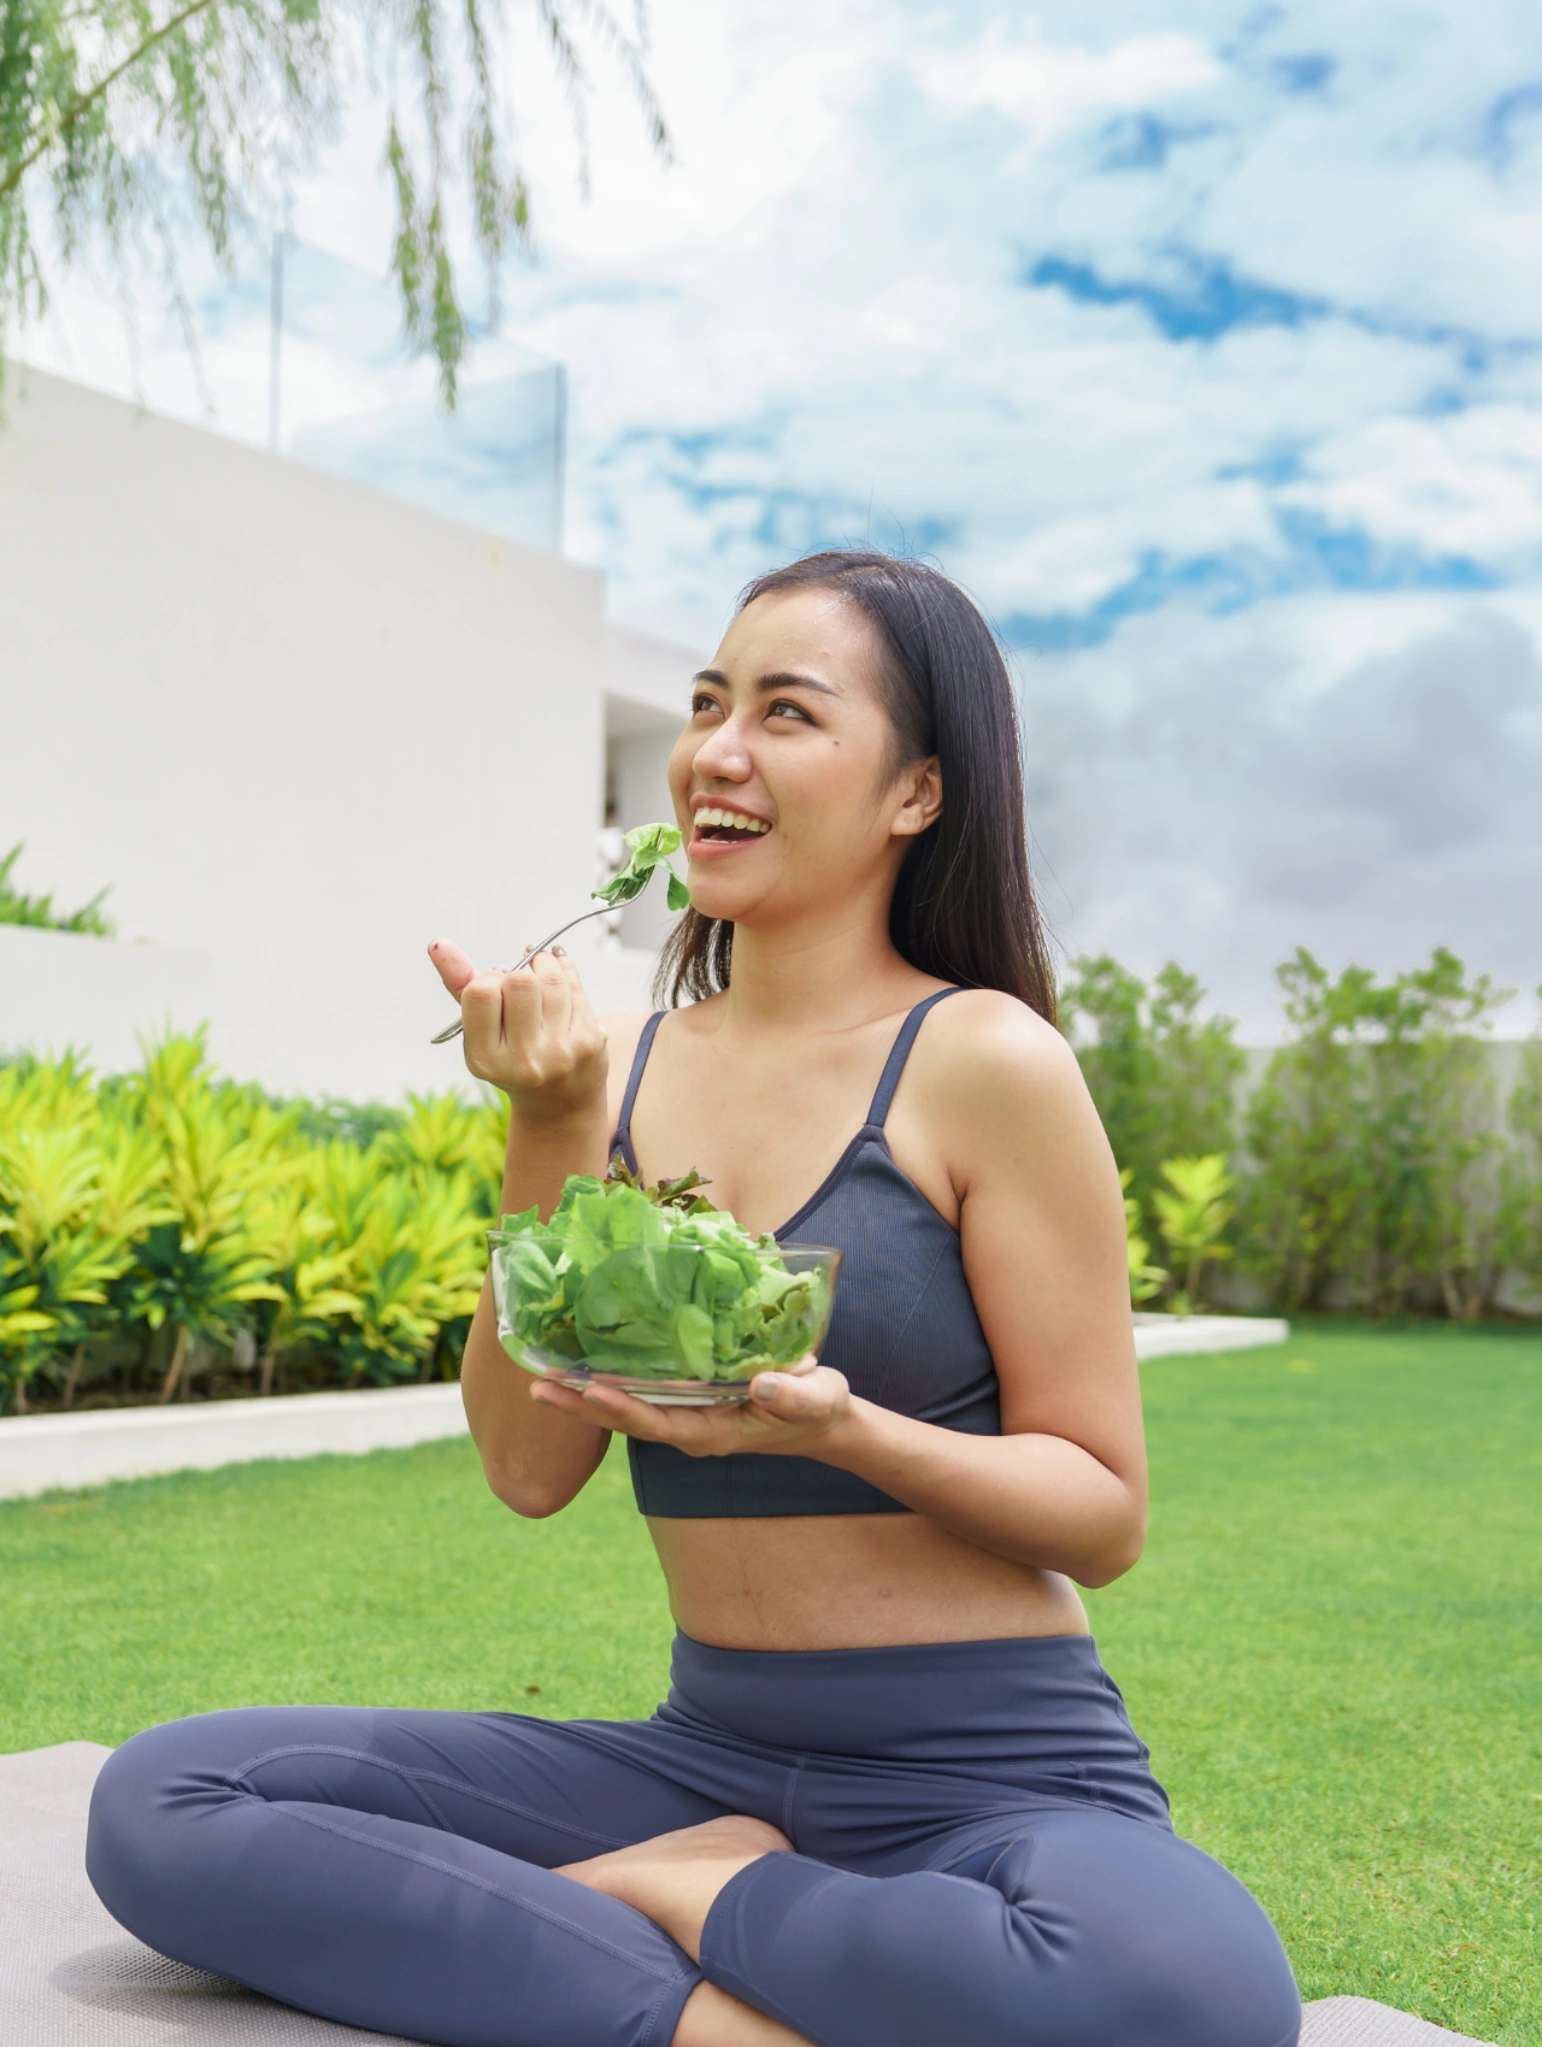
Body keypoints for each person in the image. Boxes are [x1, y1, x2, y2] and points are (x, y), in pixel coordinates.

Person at [87, 552, 1302, 2047]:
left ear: (915, 790)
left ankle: (703, 1903)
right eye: (707, 703)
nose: (716, 752)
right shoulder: (624, 1072)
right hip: (703, 1750)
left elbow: (1099, 1507)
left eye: (786, 713)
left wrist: (843, 1430)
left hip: (988, 1775)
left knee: (1194, 1993)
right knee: (170, 1800)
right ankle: (711, 1997)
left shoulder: (983, 1059)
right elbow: (531, 1470)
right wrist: (547, 1122)